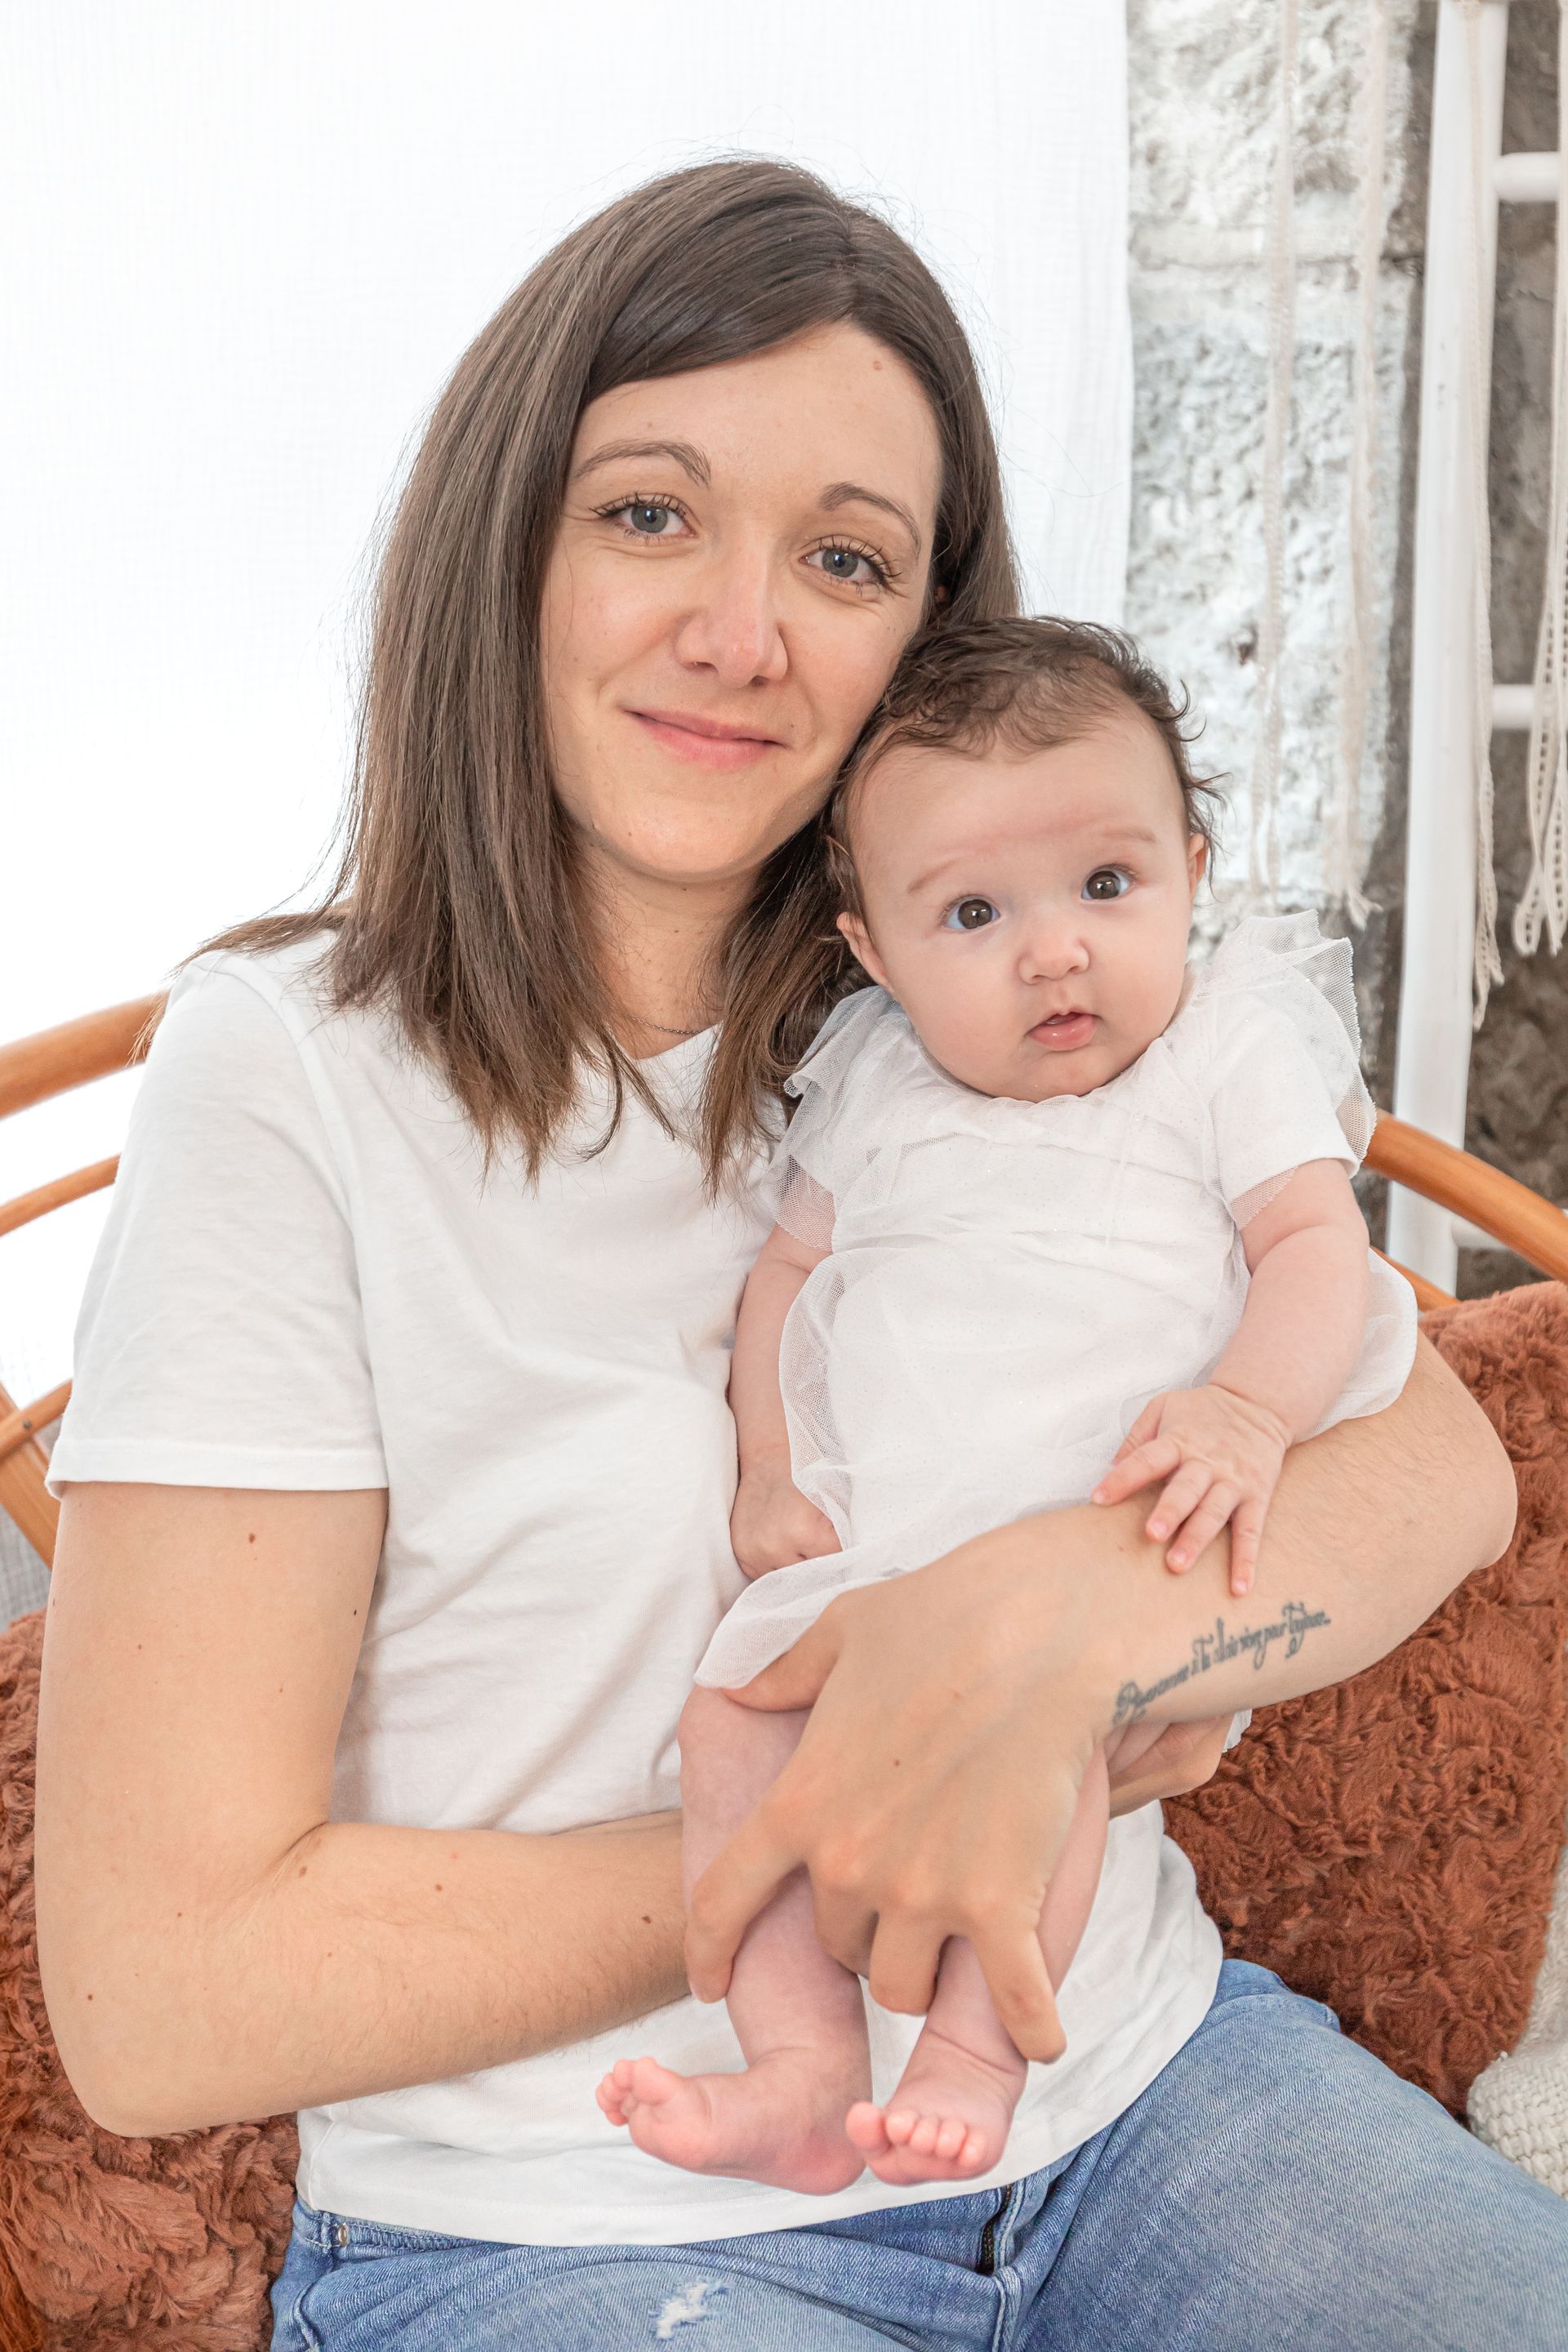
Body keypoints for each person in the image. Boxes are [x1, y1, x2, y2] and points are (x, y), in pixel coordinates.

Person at [28, 161, 1565, 2350]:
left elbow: (1450, 1473)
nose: (744, 632)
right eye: (649, 512)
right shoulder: (289, 1078)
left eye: (843, 559)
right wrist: (892, 1798)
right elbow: (164, 1996)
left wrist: (1067, 1637)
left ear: (923, 640)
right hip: (575, 2230)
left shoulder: (1004, 1013)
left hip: (1142, 2089)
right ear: (508, 546)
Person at [598, 616, 1416, 2195]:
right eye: (974, 912)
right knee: (729, 1723)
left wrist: (1246, 1411)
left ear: (1188, 869)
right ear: (873, 950)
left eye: (1108, 887)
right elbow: (786, 1276)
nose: (1056, 950)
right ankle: (804, 2063)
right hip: (879, 1563)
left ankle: (975, 2060)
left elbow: (1318, 1249)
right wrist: (774, 1470)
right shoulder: (877, 1079)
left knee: (1033, 1774)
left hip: (1101, 1547)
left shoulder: (1217, 1053)